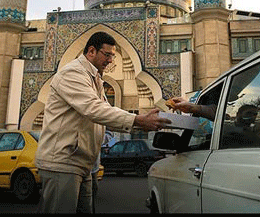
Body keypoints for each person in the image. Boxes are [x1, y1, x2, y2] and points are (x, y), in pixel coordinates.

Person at [35, 31, 171, 214]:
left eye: (113, 56)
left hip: (83, 164)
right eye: (107, 55)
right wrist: (138, 119)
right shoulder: (73, 74)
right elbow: (94, 109)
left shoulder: (95, 78)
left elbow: (105, 116)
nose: (110, 61)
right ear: (91, 51)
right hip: (63, 162)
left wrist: (142, 122)